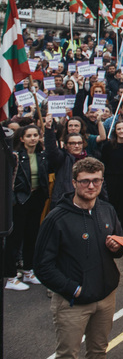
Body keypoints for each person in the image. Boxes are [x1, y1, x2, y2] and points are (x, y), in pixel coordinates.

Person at [34, 157, 123, 359]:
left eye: (96, 180)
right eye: (85, 181)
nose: (91, 186)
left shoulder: (107, 210)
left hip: (106, 298)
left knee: (99, 351)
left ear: (102, 181)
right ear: (74, 183)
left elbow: (120, 249)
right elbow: (42, 266)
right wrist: (73, 289)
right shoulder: (56, 218)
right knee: (68, 354)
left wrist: (117, 248)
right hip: (72, 303)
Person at [4, 123, 49, 290]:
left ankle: (28, 270)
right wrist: (14, 199)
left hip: (36, 199)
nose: (32, 139)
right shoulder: (15, 156)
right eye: (29, 136)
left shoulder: (41, 155)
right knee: (15, 238)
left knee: (32, 236)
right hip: (20, 200)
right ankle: (10, 276)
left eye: (35, 135)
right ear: (22, 138)